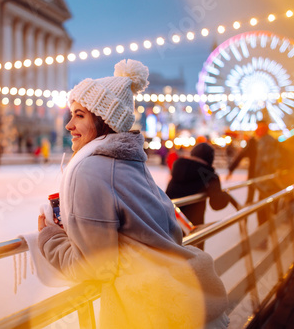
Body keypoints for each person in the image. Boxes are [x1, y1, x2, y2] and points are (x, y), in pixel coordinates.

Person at [31, 60, 229, 328]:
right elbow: (168, 233)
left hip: (151, 313)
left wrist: (49, 238)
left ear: (104, 121)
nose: (69, 125)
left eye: (79, 115)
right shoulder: (132, 163)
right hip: (187, 297)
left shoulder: (87, 169)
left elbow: (95, 267)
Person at [165, 143, 236, 249]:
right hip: (192, 227)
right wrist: (226, 195)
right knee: (194, 258)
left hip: (168, 222)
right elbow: (217, 204)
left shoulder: (178, 166)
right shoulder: (208, 175)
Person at [227, 135, 258, 204]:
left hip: (255, 172)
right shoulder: (257, 142)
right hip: (262, 172)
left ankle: (249, 205)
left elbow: (240, 156)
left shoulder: (253, 143)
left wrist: (231, 170)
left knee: (253, 190)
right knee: (260, 193)